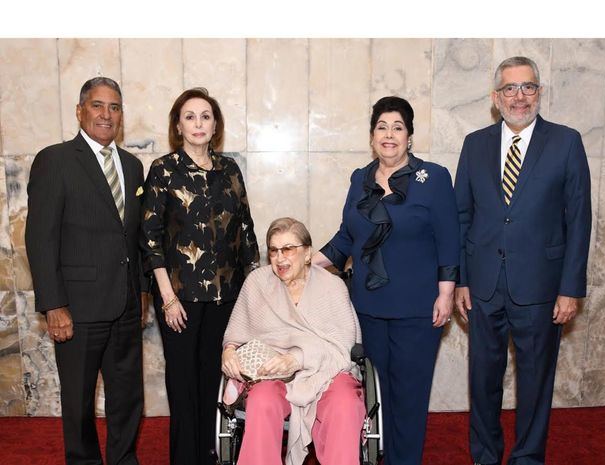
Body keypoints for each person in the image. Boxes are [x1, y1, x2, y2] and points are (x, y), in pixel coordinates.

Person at [454, 56, 592, 465]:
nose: (520, 96)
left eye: (528, 87)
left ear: (540, 93)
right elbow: (463, 215)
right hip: (482, 285)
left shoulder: (566, 141)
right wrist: (461, 279)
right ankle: (485, 456)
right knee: (482, 381)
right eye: (510, 88)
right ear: (496, 97)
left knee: (535, 383)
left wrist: (571, 288)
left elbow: (579, 218)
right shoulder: (474, 144)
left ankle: (528, 457)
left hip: (541, 287)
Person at [313, 96, 460, 465]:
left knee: (410, 394)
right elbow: (347, 237)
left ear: (410, 136)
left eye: (398, 127)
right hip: (368, 307)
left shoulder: (435, 178)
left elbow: (449, 239)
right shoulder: (359, 179)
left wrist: (446, 292)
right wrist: (301, 263)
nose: (389, 135)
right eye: (382, 127)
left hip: (418, 307)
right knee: (377, 394)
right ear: (372, 135)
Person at [25, 77, 147, 465]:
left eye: (114, 107)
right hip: (76, 309)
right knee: (78, 401)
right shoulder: (55, 160)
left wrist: (141, 291)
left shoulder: (131, 165)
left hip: (126, 305)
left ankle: (124, 459)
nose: (106, 115)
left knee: (128, 397)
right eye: (97, 105)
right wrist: (54, 305)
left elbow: (136, 236)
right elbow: (40, 239)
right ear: (80, 111)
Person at [140, 87, 260, 465]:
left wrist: (255, 295)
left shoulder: (230, 170)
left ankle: (212, 456)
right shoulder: (163, 169)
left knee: (216, 382)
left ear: (215, 125)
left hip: (226, 299)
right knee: (183, 384)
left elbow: (246, 233)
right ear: (178, 125)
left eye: (205, 116)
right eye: (190, 116)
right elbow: (150, 237)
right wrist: (167, 297)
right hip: (180, 300)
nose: (198, 123)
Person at [221, 217, 365, 465]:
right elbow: (234, 335)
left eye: (288, 249)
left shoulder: (333, 286)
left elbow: (342, 349)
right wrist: (228, 352)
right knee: (262, 400)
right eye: (274, 250)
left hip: (325, 371)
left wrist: (298, 358)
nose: (280, 257)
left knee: (345, 403)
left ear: (308, 253)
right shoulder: (257, 283)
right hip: (272, 372)